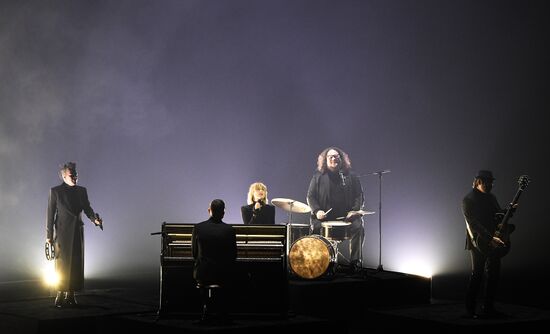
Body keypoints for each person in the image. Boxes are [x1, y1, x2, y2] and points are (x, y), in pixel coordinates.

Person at [46, 162, 103, 308]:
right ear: (64, 176)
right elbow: (50, 215)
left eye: (76, 174)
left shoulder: (81, 191)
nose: (75, 177)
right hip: (62, 233)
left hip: (77, 232)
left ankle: (71, 294)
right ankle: (60, 293)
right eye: (72, 175)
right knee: (62, 265)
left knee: (76, 264)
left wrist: (94, 220)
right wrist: (49, 237)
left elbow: (87, 208)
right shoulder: (55, 191)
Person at [462, 170, 515, 318]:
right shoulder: (468, 199)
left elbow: (498, 216)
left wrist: (509, 211)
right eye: (487, 182)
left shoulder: (491, 197)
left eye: (492, 182)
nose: (491, 185)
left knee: (493, 275)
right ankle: (470, 310)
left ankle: (488, 308)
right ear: (478, 181)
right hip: (478, 242)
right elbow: (474, 224)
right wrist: (489, 238)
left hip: (494, 240)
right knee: (477, 274)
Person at [306, 147, 365, 274]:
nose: (333, 159)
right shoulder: (318, 176)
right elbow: (310, 196)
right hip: (324, 217)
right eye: (330, 157)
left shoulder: (351, 176)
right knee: (315, 228)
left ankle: (355, 262)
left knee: (358, 226)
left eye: (336, 156)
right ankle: (320, 262)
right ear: (325, 160)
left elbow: (359, 196)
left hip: (346, 218)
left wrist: (354, 211)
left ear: (341, 159)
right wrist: (317, 211)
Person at [192, 199, 237, 323]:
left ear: (209, 210)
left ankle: (206, 309)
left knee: (201, 272)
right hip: (223, 273)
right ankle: (223, 312)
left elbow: (194, 253)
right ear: (223, 213)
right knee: (232, 276)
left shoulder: (198, 228)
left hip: (203, 272)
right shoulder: (230, 230)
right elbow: (234, 255)